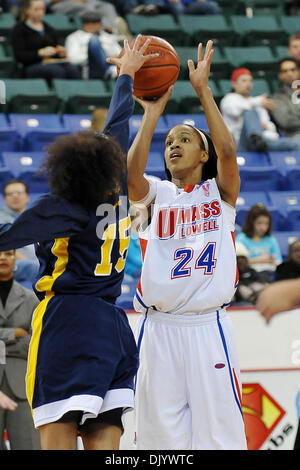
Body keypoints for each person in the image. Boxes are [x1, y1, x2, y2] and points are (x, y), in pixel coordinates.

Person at [0, 35, 156, 450]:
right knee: (106, 438)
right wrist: (126, 74)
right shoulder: (119, 189)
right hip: (113, 324)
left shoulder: (64, 205)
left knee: (57, 437)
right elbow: (117, 126)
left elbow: (5, 237)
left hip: (66, 322)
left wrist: (125, 75)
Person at [108, 40, 247, 450]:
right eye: (169, 141)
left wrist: (203, 91)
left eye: (184, 139)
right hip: (158, 328)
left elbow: (228, 151)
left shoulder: (219, 195)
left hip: (208, 328)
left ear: (202, 153)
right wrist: (152, 113)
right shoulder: (158, 194)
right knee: (156, 439)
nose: (173, 145)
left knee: (219, 439)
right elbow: (130, 178)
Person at [0, 249, 41, 450]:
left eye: (8, 253)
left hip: (23, 386)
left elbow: (34, 344)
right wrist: (13, 334)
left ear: (15, 258)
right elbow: (23, 340)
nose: (3, 258)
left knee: (29, 446)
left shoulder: (31, 299)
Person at [220, 67, 300, 152]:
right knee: (249, 112)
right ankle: (255, 138)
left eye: (250, 81)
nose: (248, 84)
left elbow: (271, 128)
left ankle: (258, 140)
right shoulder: (229, 99)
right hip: (239, 143)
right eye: (244, 81)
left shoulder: (257, 102)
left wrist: (264, 126)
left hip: (263, 142)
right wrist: (257, 102)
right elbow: (234, 111)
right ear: (234, 84)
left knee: (294, 144)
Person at [11, 0, 81, 82]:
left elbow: (56, 48)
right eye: (36, 9)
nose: (40, 12)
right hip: (31, 65)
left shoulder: (49, 28)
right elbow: (19, 56)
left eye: (42, 9)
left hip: (52, 62)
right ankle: (60, 94)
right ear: (27, 10)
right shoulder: (19, 29)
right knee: (57, 71)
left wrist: (60, 53)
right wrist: (39, 53)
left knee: (73, 70)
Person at [0, 179, 39, 288]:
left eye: (19, 193)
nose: (15, 196)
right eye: (10, 194)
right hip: (13, 262)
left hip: (35, 261)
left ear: (27, 196)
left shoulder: (35, 217)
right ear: (5, 198)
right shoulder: (1, 217)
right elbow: (4, 247)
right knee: (32, 266)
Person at [65, 10, 121, 80]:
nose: (91, 25)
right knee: (94, 40)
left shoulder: (108, 37)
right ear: (83, 24)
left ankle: (112, 71)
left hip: (112, 65)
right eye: (87, 22)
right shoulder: (74, 37)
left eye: (94, 22)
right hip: (90, 69)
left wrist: (112, 58)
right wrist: (99, 57)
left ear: (100, 24)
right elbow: (73, 59)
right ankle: (111, 72)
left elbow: (120, 54)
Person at [236, 203, 282, 278]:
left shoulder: (271, 239)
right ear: (251, 223)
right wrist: (258, 260)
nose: (263, 227)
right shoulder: (241, 239)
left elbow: (278, 261)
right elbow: (238, 264)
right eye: (259, 223)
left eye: (266, 224)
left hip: (270, 273)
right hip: (248, 275)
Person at [270, 58, 300, 141]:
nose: (289, 74)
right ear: (280, 75)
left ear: (298, 72)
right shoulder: (276, 98)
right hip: (294, 135)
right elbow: (285, 121)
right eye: (285, 71)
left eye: (293, 70)